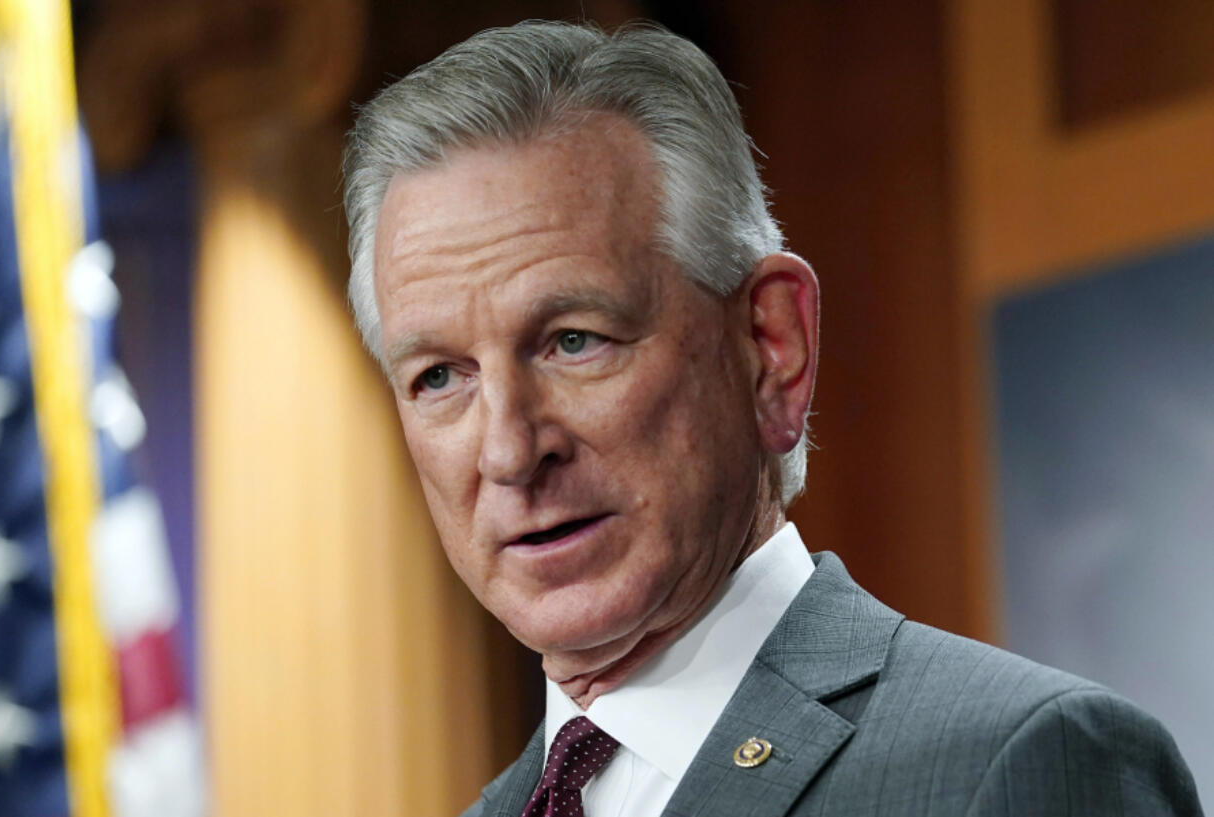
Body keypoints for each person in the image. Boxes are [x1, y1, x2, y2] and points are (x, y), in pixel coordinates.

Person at [342, 21, 1202, 817]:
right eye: (440, 376)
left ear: (770, 345)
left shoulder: (1018, 766)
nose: (508, 450)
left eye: (574, 340)